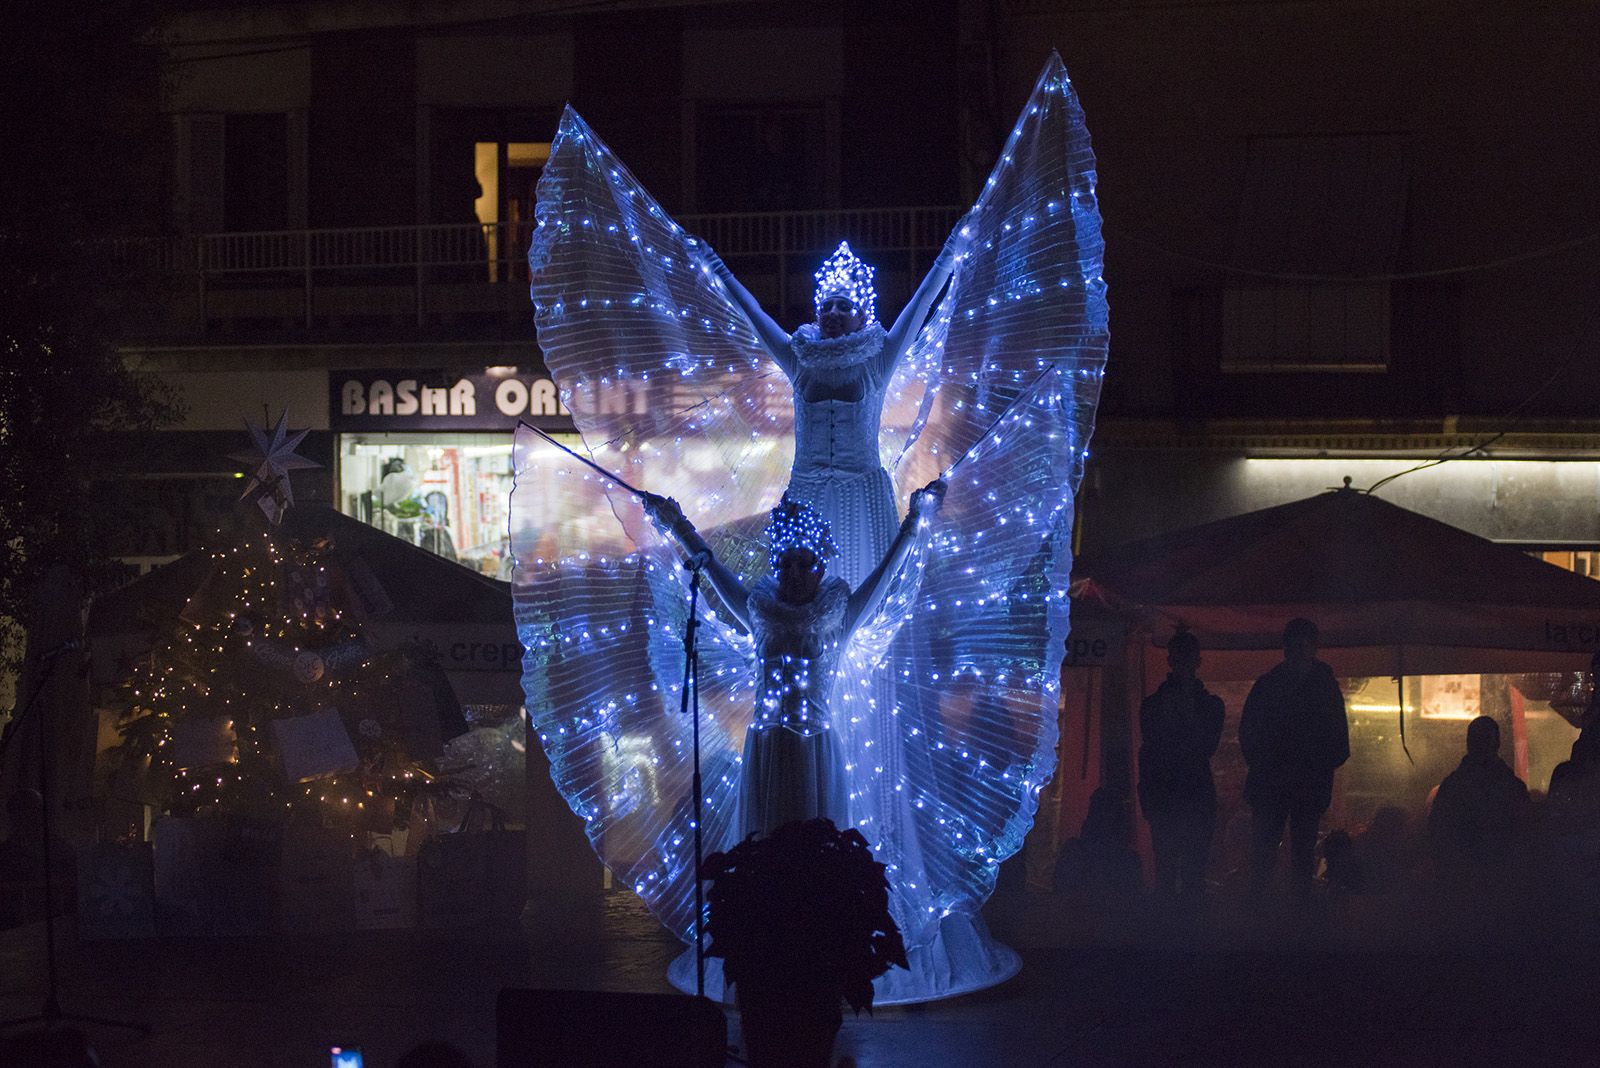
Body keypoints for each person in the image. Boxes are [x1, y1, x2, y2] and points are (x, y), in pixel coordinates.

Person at [642, 481, 945, 837]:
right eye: (787, 564)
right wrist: (676, 522)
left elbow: (887, 574)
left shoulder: (838, 617)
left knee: (812, 850)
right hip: (766, 749)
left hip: (813, 750)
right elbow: (711, 567)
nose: (795, 573)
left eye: (804, 564)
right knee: (765, 848)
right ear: (777, 567)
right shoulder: (760, 615)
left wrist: (913, 520)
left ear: (819, 568)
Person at [1239, 618, 1350, 896]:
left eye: (1303, 645)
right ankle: (1296, 916)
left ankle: (1264, 914)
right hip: (1302, 786)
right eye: (1297, 645)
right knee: (1297, 855)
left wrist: (1272, 767)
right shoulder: (1324, 689)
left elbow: (1250, 736)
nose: (1300, 651)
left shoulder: (1268, 686)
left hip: (1277, 785)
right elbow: (1338, 743)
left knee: (1269, 855)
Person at [1137, 630, 1225, 900]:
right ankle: (1189, 932)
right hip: (1190, 795)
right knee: (1190, 873)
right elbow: (1205, 746)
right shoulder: (1209, 705)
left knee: (1171, 871)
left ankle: (1169, 933)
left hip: (1170, 795)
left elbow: (1151, 749)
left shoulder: (1153, 705)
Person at [1427, 716, 1529, 883]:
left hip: (1459, 884)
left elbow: (1438, 835)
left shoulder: (1452, 786)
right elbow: (1524, 835)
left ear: (1468, 743)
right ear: (1497, 743)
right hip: (1502, 883)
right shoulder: (1512, 787)